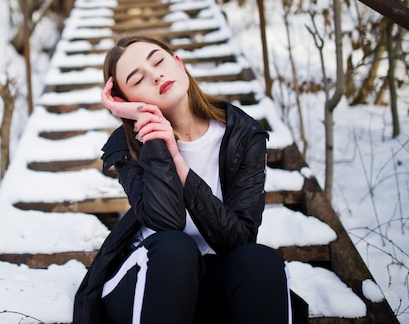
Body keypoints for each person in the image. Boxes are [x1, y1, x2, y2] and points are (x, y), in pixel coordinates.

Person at [73, 35, 308, 324]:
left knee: (260, 261)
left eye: (158, 61)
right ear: (128, 102)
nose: (156, 75)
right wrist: (153, 132)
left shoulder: (242, 134)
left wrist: (180, 163)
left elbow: (240, 239)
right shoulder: (127, 145)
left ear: (178, 64)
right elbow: (166, 223)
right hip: (149, 277)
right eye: (137, 80)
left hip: (212, 278)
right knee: (176, 248)